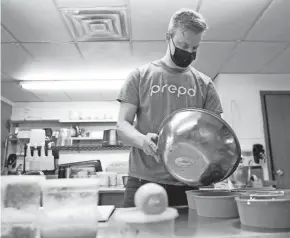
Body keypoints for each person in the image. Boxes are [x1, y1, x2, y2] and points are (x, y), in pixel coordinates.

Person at [116, 8, 223, 207]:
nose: (189, 53)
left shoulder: (205, 84)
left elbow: (215, 134)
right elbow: (122, 127)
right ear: (168, 37)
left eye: (194, 48)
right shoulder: (140, 76)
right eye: (183, 45)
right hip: (143, 181)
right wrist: (143, 141)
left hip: (189, 184)